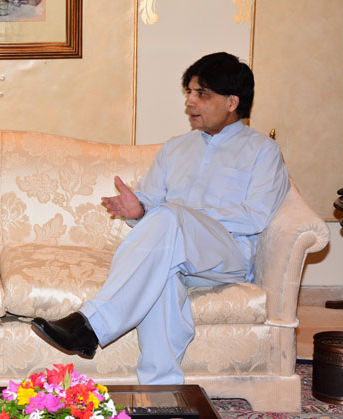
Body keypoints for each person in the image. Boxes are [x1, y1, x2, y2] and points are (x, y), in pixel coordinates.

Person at [31, 52, 290, 385]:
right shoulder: (175, 148)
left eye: (201, 93)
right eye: (190, 92)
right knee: (161, 276)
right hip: (176, 254)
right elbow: (152, 202)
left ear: (232, 102)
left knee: (170, 218)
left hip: (225, 256)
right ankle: (161, 390)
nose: (189, 101)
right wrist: (139, 210)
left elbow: (254, 217)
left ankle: (90, 325)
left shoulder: (262, 152)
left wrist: (179, 216)